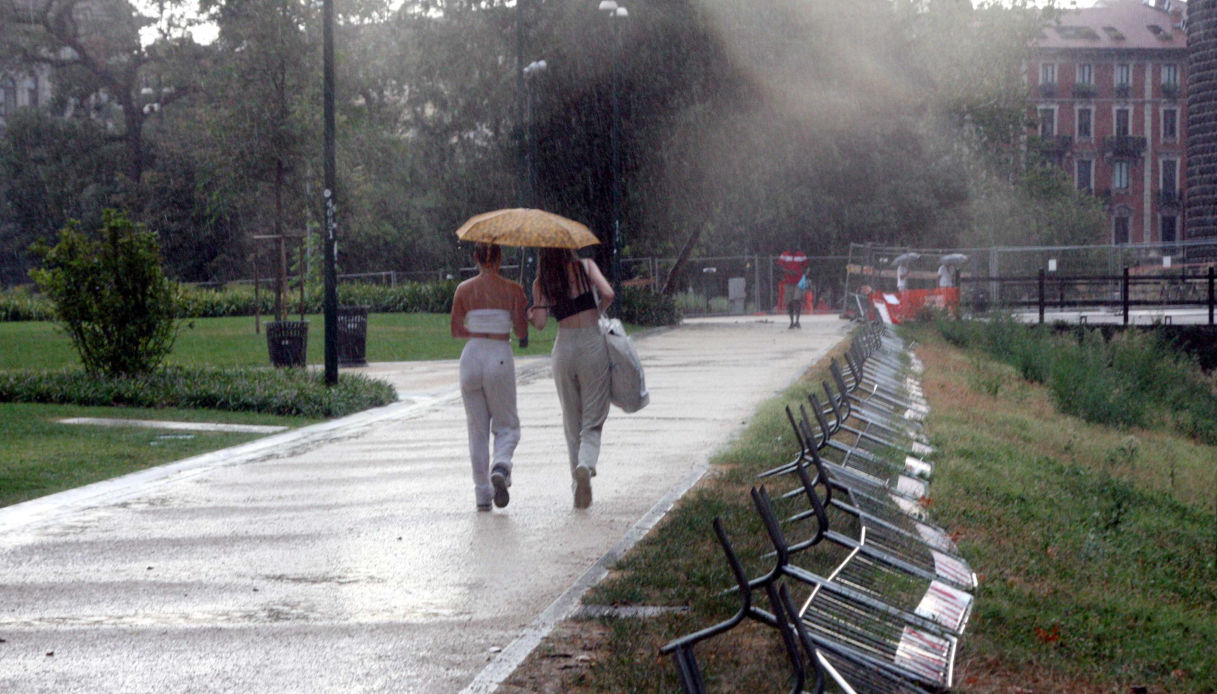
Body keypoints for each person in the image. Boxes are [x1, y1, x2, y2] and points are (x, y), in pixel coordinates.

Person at [526, 248, 614, 509]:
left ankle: (577, 485)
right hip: (590, 343)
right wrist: (596, 311)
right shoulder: (585, 266)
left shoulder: (542, 281)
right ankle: (586, 464)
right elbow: (608, 293)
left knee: (571, 419)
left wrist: (532, 316)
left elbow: (541, 322)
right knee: (593, 417)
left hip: (563, 349)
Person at [450, 243, 529, 512]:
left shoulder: (464, 289)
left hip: (471, 357)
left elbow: (456, 330)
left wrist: (479, 330)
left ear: (476, 258)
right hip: (499, 355)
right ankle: (502, 464)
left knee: (477, 430)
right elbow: (520, 332)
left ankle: (482, 494)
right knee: (508, 425)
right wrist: (520, 306)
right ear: (500, 258)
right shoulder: (512, 289)